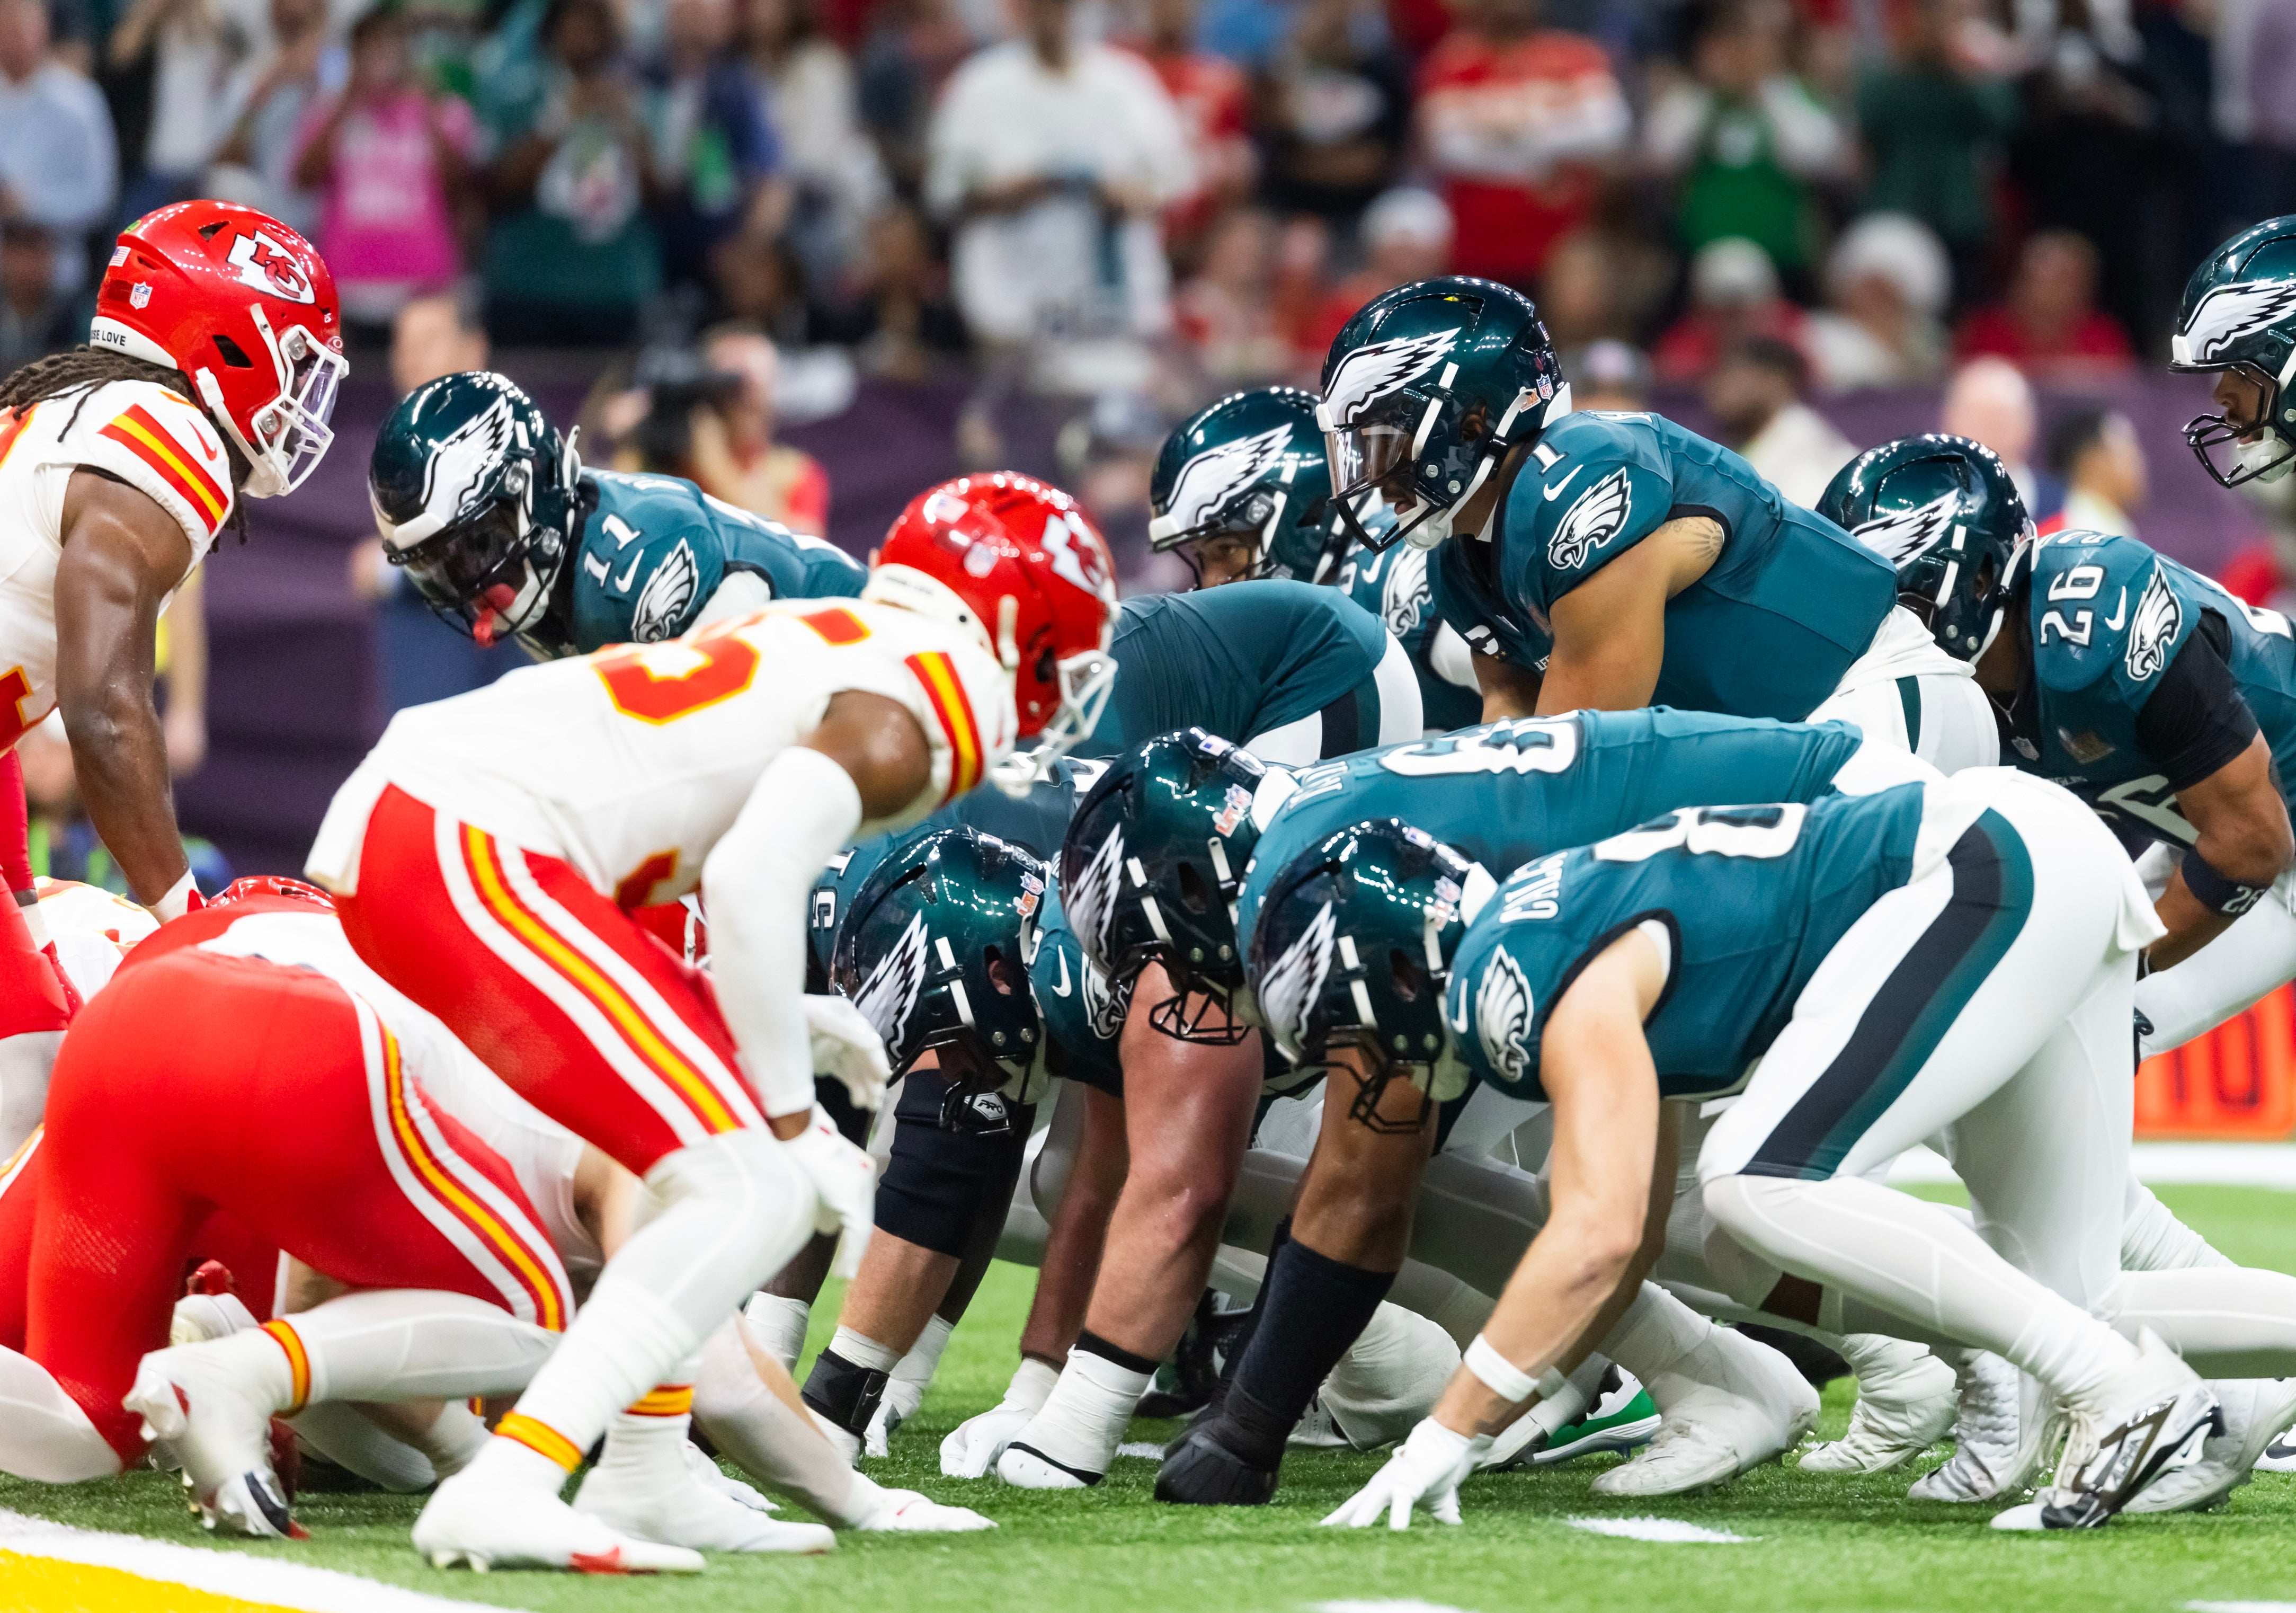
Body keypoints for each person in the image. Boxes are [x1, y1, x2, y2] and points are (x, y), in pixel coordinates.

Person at [303, 454, 1116, 1571]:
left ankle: (645, 1469)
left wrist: (760, 1016)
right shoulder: (944, 687)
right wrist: (787, 1116)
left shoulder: (846, 634)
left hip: (434, 820)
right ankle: (511, 1478)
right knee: (746, 1175)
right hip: (472, 836)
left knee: (679, 1166)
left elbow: (688, 845)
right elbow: (748, 875)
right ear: (1019, 620)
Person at [1297, 770, 2296, 1532]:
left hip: (1987, 864)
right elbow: (1627, 1231)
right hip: (2034, 851)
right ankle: (2188, 1387)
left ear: (1392, 967)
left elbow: (1598, 1233)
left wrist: (1449, 1423)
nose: (1347, 1056)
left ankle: (2117, 1393)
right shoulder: (1541, 922)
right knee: (2069, 1292)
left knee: (1756, 1179)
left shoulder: (1516, 970)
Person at [1076, 715, 1925, 1504]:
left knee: (1702, 1208)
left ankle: (1939, 1353)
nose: (1176, 986)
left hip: (1838, 857)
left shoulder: (1308, 871)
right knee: (1588, 1205)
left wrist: (1243, 1430)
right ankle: (1729, 1381)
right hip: (1786, 854)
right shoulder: (1313, 821)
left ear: (1189, 883)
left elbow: (1362, 1188)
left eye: (1156, 951)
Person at [1316, 274, 1995, 775]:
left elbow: (1570, 764)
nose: (1373, 472)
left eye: (1386, 442)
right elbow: (1510, 726)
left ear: (1471, 422)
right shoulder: (1461, 558)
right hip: (1793, 736)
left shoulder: (1580, 471)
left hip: (1876, 698)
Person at [0, 201, 343, 1160]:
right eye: (298, 359)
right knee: (28, 1079)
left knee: (42, 1035)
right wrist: (181, 919)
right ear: (228, 338)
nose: (305, 393)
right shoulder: (168, 437)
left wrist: (20, 886)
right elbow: (105, 709)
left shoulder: (74, 409)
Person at [368, 370, 861, 663]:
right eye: (434, 565)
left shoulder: (632, 563)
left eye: (477, 547)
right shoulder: (550, 581)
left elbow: (735, 726)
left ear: (533, 488)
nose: (466, 585)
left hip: (870, 664)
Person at [1147, 385, 1480, 730]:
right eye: (1203, 560)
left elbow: (1534, 710)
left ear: (1309, 514)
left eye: (1227, 550)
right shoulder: (1283, 646)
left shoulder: (1388, 574)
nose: (1212, 583)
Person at [922, 0, 1190, 348]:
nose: (1054, 15)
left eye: (1063, 5)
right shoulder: (981, 84)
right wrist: (1013, 190)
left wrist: (1124, 193)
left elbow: (1177, 178)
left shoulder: (1126, 81)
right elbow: (945, 188)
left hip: (1116, 300)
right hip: (1012, 301)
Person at [1413, 0, 1629, 291]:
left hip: (1561, 241)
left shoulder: (1574, 56)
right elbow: (1446, 146)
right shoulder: (1451, 62)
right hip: (1477, 245)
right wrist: (1546, 152)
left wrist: (1512, 135)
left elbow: (1609, 129)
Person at [290, 7, 477, 337]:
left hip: (424, 288)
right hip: (349, 288)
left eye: (391, 48)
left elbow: (460, 184)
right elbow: (303, 178)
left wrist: (427, 104)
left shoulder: (442, 109)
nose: (382, 60)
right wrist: (348, 100)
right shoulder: (330, 113)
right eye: (371, 50)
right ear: (355, 56)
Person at [0, 0, 116, 304]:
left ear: (45, 27)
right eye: (7, 21)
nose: (17, 34)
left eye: (25, 22)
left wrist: (30, 204)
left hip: (59, 273)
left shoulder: (80, 102)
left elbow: (99, 197)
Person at [1702, 336, 1857, 509]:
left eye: (1732, 374)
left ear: (1775, 381)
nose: (1718, 387)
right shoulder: (1755, 441)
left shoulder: (1805, 450)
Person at [1953, 230, 2134, 378]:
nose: (2050, 288)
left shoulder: (2104, 337)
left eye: (2063, 278)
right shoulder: (1984, 331)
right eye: (2041, 276)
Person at [2041, 406, 2146, 539]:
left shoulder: (2113, 526)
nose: (2139, 462)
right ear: (2093, 462)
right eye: (2129, 452)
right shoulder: (2082, 535)